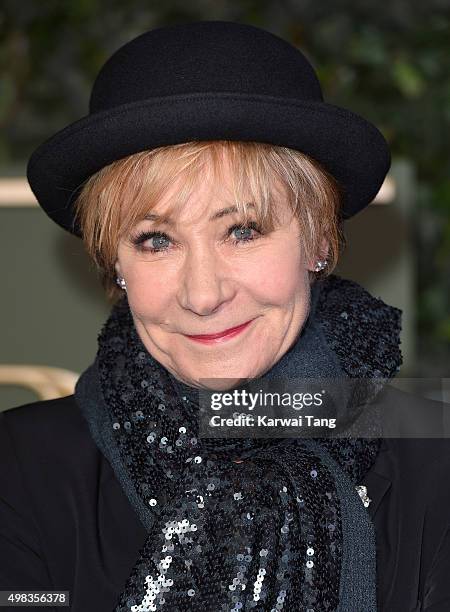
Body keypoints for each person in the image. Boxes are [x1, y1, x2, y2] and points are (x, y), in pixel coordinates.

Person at [1, 20, 449, 612]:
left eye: (242, 231)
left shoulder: (435, 465)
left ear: (317, 240)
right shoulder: (20, 468)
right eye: (156, 240)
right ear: (117, 263)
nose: (203, 294)